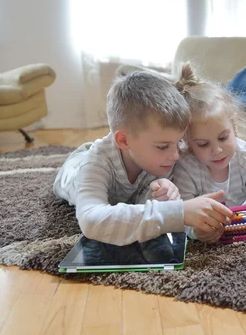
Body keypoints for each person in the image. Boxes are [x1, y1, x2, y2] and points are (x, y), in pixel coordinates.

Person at [52, 70, 233, 246]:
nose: (176, 155)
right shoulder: (95, 163)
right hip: (74, 169)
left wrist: (172, 203)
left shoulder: (161, 160)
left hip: (124, 158)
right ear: (124, 140)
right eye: (163, 146)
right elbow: (91, 221)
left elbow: (149, 215)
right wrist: (180, 212)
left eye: (178, 143)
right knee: (84, 164)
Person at [172, 63, 246, 243]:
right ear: (187, 143)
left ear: (234, 126)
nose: (217, 150)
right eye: (203, 144)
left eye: (223, 138)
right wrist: (196, 232)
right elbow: (182, 213)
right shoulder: (186, 166)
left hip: (243, 218)